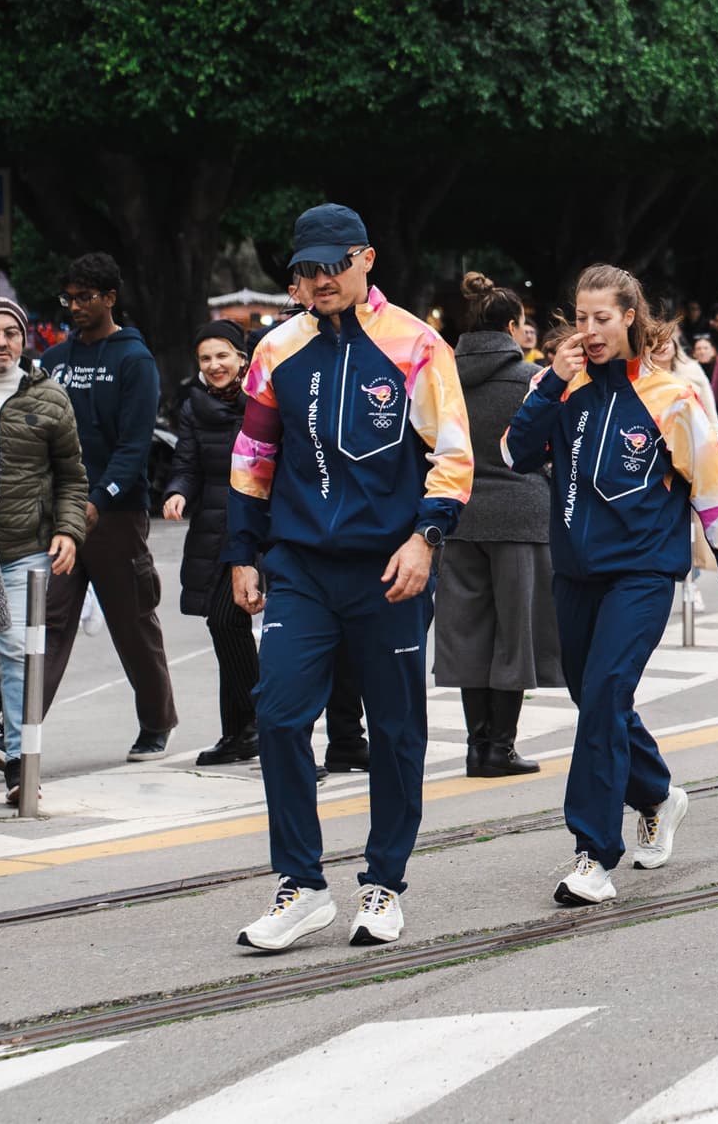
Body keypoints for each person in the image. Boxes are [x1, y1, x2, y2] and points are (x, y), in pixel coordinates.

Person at [227, 204, 474, 951]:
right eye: (306, 269)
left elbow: (453, 456)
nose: (319, 279)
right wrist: (242, 552)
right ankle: (301, 884)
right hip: (300, 566)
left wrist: (426, 539)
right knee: (278, 715)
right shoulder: (276, 348)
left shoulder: (418, 345)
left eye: (333, 264)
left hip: (390, 568)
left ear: (365, 258)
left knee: (395, 731)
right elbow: (252, 457)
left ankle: (384, 883)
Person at [507, 264, 718, 906]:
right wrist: (550, 383)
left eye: (602, 318)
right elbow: (514, 453)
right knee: (593, 696)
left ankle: (593, 854)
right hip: (574, 573)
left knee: (606, 693)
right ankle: (656, 795)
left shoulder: (672, 398)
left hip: (643, 573)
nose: (590, 331)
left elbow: (712, 486)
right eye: (580, 318)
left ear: (629, 317)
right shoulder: (557, 385)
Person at [41, 253, 178, 760]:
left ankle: (157, 722)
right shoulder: (54, 361)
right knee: (48, 621)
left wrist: (99, 500)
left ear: (110, 298)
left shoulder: (134, 361)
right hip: (59, 513)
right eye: (69, 298)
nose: (75, 306)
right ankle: (18, 732)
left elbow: (134, 445)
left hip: (116, 514)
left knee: (132, 620)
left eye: (86, 297)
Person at [434, 274, 560, 779]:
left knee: (469, 632)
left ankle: (475, 746)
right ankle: (501, 748)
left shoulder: (443, 377)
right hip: (522, 516)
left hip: (458, 514)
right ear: (513, 326)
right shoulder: (533, 379)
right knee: (514, 634)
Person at [0, 297, 87, 805]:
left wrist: (68, 531)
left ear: (24, 338)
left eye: (10, 332)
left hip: (23, 549)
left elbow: (72, 476)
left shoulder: (49, 397)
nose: (1, 342)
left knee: (15, 651)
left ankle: (20, 766)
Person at [161, 321, 263, 767]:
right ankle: (241, 732)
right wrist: (177, 492)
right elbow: (186, 464)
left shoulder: (264, 400)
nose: (214, 365)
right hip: (215, 529)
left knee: (232, 622)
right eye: (205, 358)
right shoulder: (194, 407)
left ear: (242, 357)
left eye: (222, 355)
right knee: (225, 625)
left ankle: (262, 724)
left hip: (263, 525)